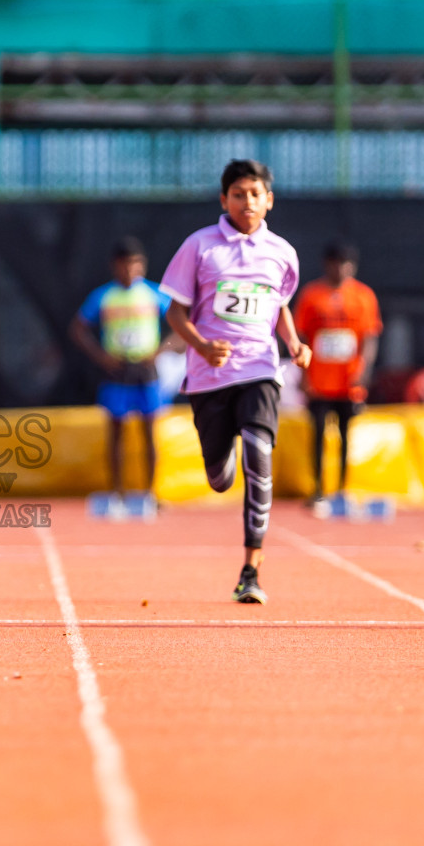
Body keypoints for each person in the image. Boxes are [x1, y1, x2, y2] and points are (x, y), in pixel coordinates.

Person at [160, 159, 310, 605]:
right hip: (209, 377)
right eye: (239, 194)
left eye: (256, 194)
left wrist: (295, 343)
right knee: (221, 478)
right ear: (224, 200)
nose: (248, 202)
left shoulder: (282, 252)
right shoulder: (200, 246)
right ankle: (219, 464)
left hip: (261, 368)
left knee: (259, 452)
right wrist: (202, 347)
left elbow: (278, 305)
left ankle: (252, 569)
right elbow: (175, 312)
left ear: (270, 200)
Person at [71, 237, 170, 516]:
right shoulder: (104, 296)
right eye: (124, 264)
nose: (130, 269)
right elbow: (78, 328)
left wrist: (162, 350)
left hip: (146, 368)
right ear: (116, 266)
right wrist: (101, 357)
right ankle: (117, 493)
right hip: (117, 369)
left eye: (135, 263)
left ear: (142, 265)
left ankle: (150, 494)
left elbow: (180, 323)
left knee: (149, 431)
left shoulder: (154, 294)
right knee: (116, 432)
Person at [293, 241, 380, 507]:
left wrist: (364, 370)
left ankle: (342, 489)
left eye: (347, 264)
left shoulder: (364, 296)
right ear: (327, 264)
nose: (342, 269)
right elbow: (300, 334)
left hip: (348, 381)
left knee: (346, 435)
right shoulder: (311, 295)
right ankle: (318, 488)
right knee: (317, 435)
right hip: (318, 381)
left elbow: (370, 337)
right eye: (337, 263)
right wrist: (304, 374)